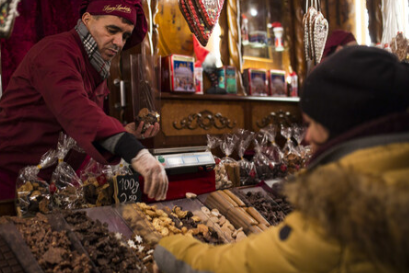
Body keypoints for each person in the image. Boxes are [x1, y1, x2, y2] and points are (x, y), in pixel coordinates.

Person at [153, 46, 409, 272]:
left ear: (342, 124)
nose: (306, 137)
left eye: (311, 123)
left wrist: (169, 248)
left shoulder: (344, 212)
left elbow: (240, 266)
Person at [0, 0, 168, 201]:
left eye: (125, 36)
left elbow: (80, 130)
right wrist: (133, 150)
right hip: (10, 183)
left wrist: (124, 133)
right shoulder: (56, 52)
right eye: (112, 30)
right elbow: (77, 111)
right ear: (87, 20)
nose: (119, 42)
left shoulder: (95, 63)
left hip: (49, 187)